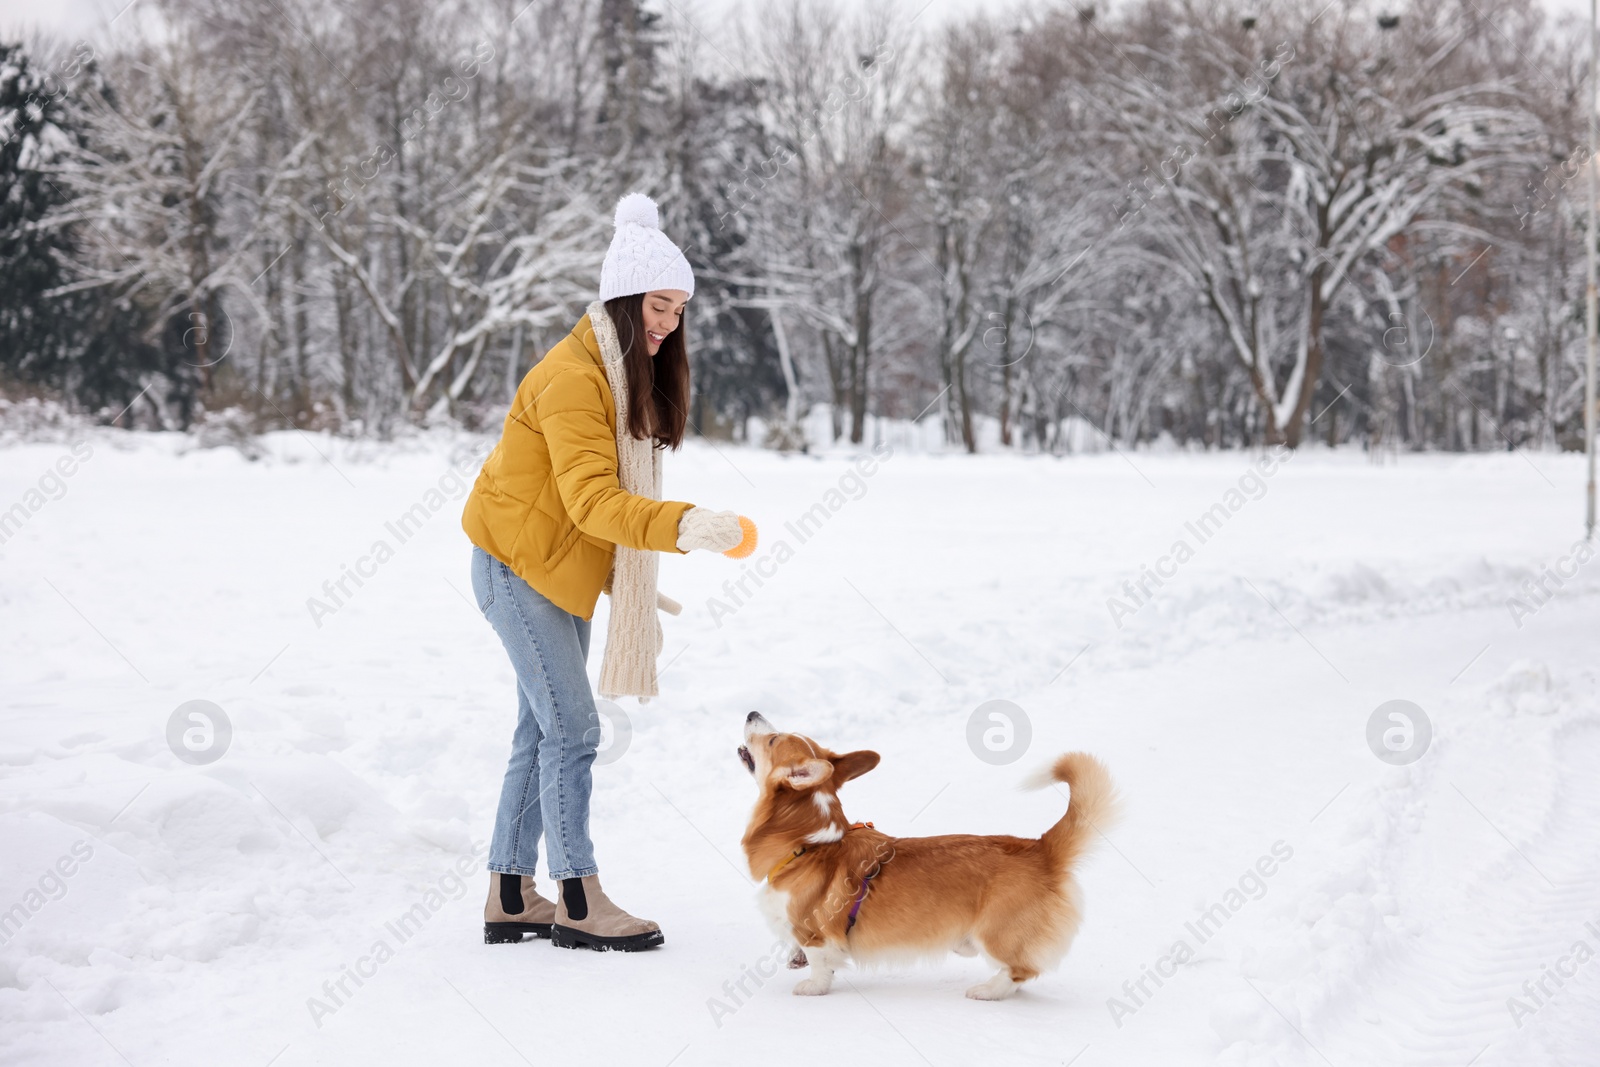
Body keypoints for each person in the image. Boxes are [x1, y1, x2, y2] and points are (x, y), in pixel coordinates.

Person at [461, 192, 756, 952]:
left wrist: (637, 568)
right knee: (574, 730)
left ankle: (508, 892)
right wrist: (683, 525)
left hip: (557, 571)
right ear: (624, 301)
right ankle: (579, 899)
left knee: (540, 727)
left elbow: (586, 511)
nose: (668, 322)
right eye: (659, 305)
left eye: (680, 309)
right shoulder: (573, 378)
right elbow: (594, 501)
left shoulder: (619, 376)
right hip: (516, 569)